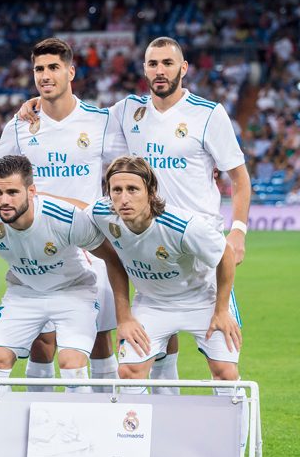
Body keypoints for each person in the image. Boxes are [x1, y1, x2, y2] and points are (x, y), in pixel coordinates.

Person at [17, 36, 251, 394]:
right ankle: (160, 414)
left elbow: (239, 178)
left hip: (198, 245)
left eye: (168, 63)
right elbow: (79, 114)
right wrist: (39, 102)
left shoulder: (207, 114)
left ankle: (227, 422)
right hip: (147, 240)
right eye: (153, 64)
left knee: (221, 366)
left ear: (184, 68)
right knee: (156, 347)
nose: (160, 71)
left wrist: (238, 229)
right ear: (144, 69)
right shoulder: (127, 111)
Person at [87, 155, 247, 457]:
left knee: (226, 374)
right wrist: (124, 316)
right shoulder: (103, 214)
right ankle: (136, 454)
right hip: (153, 303)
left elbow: (225, 256)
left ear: (150, 190)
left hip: (204, 299)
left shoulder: (182, 225)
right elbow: (88, 229)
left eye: (132, 189)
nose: (123, 198)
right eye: (116, 190)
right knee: (129, 372)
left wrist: (221, 310)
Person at [0, 37, 125, 393]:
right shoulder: (20, 125)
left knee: (99, 339)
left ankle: (104, 414)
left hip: (90, 243)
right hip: (36, 245)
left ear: (71, 71)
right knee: (40, 341)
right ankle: (41, 415)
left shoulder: (100, 120)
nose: (45, 75)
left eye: (53, 67)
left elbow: (123, 171)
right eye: (39, 69)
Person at [0, 155, 131, 392]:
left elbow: (112, 258)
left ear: (31, 191)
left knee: (72, 365)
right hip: (23, 293)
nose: (4, 201)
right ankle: (3, 416)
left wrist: (125, 318)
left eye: (12, 192)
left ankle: (80, 415)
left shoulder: (65, 217)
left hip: (73, 291)